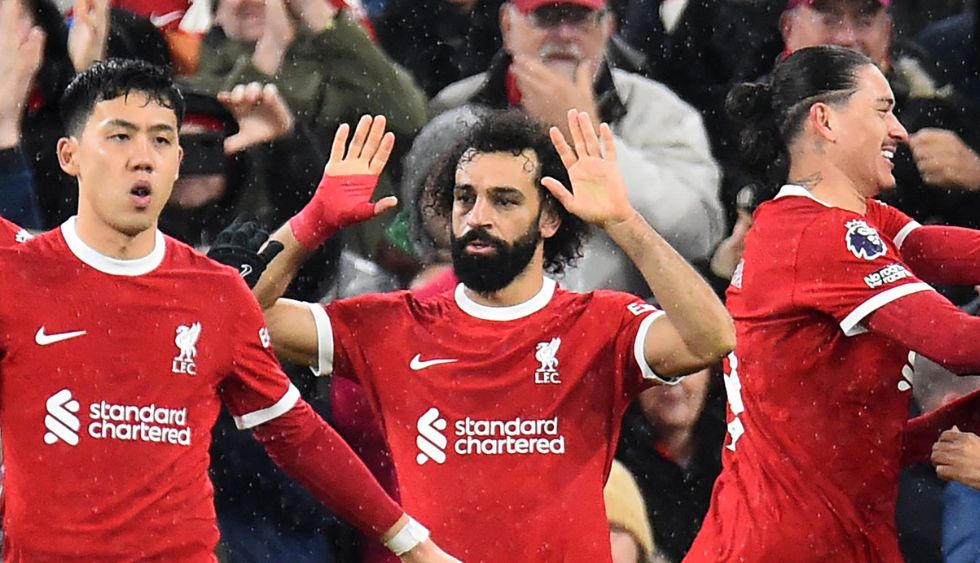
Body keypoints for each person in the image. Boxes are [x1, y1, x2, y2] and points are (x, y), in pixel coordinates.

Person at [218, 105, 734, 562]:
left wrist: (625, 221)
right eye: (466, 197)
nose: (478, 217)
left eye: (505, 201)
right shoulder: (392, 326)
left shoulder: (601, 323)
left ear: (550, 218)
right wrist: (313, 222)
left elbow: (711, 339)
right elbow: (237, 319)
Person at [0, 58, 458, 562]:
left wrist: (412, 544)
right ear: (70, 156)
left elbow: (295, 433)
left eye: (160, 140)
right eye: (120, 136)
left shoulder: (217, 293)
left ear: (177, 159)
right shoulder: (15, 271)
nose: (142, 158)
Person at [686, 45, 980, 563]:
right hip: (783, 547)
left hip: (827, 536)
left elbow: (945, 253)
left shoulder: (848, 222)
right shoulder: (822, 236)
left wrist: (963, 417)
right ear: (824, 120)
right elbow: (958, 344)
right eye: (882, 109)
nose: (901, 132)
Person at [421, 0, 724, 297]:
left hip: (618, 324)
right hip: (485, 319)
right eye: (547, 16)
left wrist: (586, 137)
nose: (565, 34)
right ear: (508, 25)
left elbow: (699, 234)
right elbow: (413, 233)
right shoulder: (456, 110)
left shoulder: (657, 110)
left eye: (580, 18)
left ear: (608, 27)